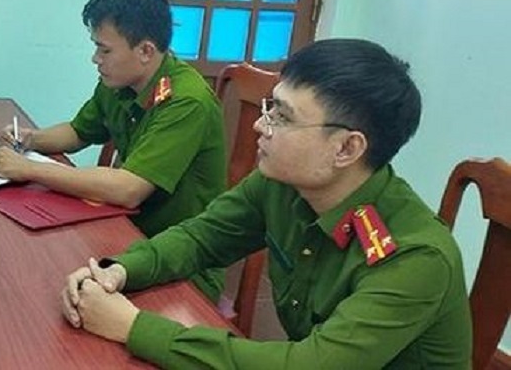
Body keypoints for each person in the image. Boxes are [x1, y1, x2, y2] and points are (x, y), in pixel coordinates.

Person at [60, 38, 472, 369]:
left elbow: (310, 365)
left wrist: (133, 326)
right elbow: (201, 238)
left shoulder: (415, 258)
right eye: (270, 107)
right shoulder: (284, 184)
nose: (260, 124)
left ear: (347, 148)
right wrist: (119, 270)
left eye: (282, 117)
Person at [0, 0, 227, 299]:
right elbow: (78, 131)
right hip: (126, 234)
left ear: (145, 51)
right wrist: (30, 140)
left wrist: (27, 169)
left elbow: (128, 189)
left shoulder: (186, 102)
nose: (95, 58)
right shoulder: (121, 81)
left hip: (178, 263)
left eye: (104, 49)